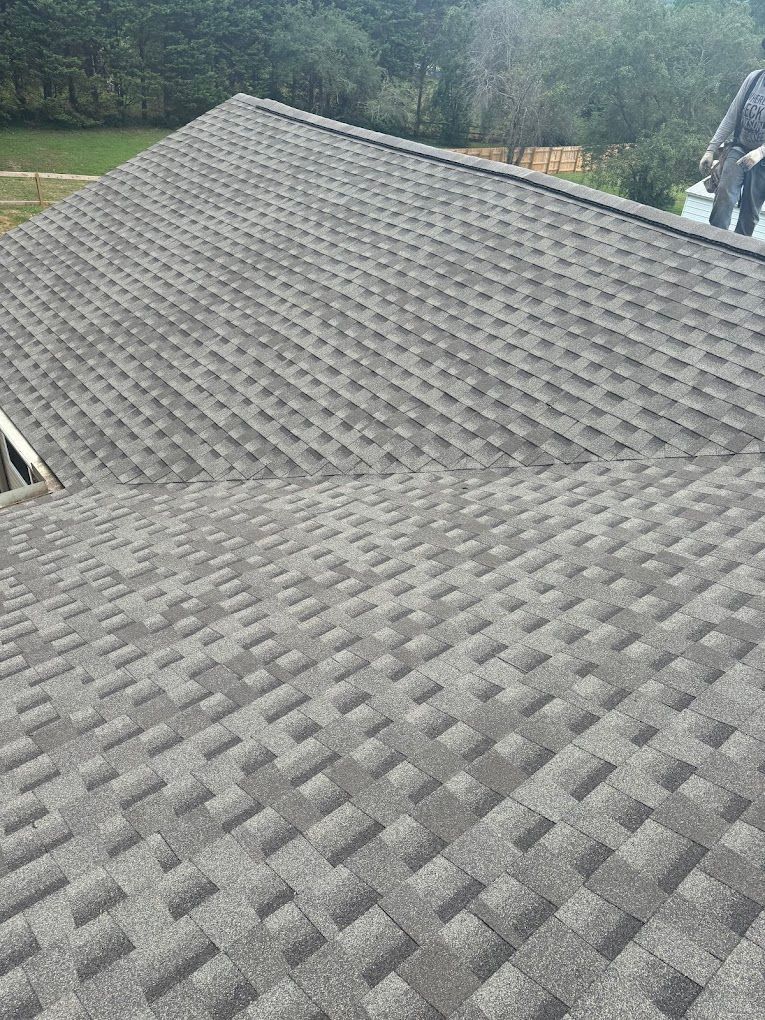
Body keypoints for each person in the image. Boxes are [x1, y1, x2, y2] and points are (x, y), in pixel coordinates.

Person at [701, 63, 765, 236]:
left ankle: (737, 253)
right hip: (739, 148)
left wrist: (761, 152)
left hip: (763, 161)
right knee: (724, 195)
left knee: (749, 211)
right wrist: (711, 148)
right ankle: (714, 241)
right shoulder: (754, 79)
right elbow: (732, 115)